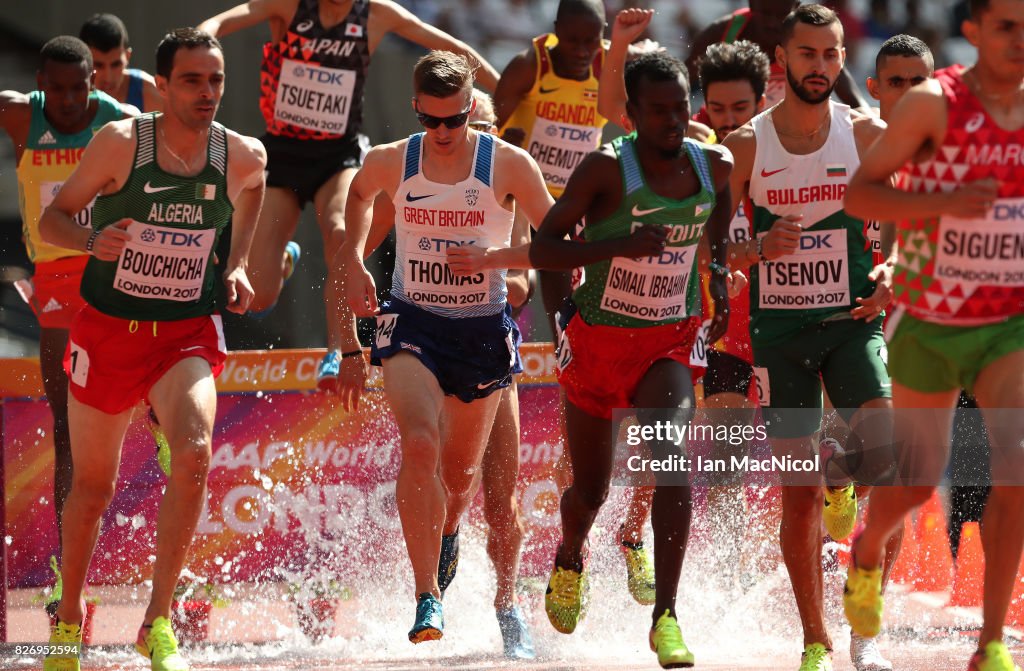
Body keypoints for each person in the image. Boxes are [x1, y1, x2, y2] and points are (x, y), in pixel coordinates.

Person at [38, 28, 265, 671]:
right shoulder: (120, 143)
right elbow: (55, 219)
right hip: (109, 331)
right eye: (192, 81)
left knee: (193, 453)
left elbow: (252, 192)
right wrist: (90, 243)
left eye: (216, 80)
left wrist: (239, 264)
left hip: (184, 333)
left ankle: (157, 618)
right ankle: (71, 615)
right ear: (161, 85)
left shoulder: (241, 155)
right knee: (92, 487)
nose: (207, 93)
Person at [339, 50, 553, 644]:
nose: (443, 136)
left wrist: (500, 263)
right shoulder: (397, 164)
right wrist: (351, 323)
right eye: (429, 122)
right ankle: (427, 595)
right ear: (416, 112)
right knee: (420, 441)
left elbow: (548, 248)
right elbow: (354, 215)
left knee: (478, 487)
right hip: (414, 324)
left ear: (475, 117)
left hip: (486, 335)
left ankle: (501, 593)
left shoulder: (507, 169)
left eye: (456, 123)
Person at [531, 47, 734, 668]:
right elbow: (543, 249)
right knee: (589, 492)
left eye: (681, 109)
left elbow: (718, 218)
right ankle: (571, 557)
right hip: (596, 345)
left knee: (671, 459)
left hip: (667, 342)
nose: (673, 122)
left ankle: (666, 617)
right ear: (631, 113)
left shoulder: (714, 167)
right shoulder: (604, 171)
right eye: (658, 112)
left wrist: (719, 275)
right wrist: (575, 299)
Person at [843, 1, 1024, 669]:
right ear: (972, 30)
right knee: (918, 479)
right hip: (932, 318)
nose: (1020, 41)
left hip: (1009, 322)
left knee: (1017, 464)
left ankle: (991, 643)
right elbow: (861, 195)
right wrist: (940, 204)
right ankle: (867, 549)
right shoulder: (930, 105)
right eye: (1007, 26)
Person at [720, 6, 899, 670]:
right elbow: (717, 246)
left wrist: (891, 267)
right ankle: (816, 641)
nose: (819, 67)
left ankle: (864, 601)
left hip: (850, 323)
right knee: (798, 495)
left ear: (841, 61)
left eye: (830, 55)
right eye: (807, 55)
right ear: (781, 63)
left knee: (882, 448)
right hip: (779, 335)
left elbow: (905, 219)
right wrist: (755, 244)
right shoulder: (745, 145)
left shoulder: (869, 135)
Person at [198, 0, 500, 392]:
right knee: (257, 296)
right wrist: (201, 39)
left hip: (338, 157)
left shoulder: (375, 14)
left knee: (342, 233)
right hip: (284, 154)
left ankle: (337, 348)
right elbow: (223, 20)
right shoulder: (290, 7)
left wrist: (505, 87)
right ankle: (286, 259)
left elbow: (447, 45)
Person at [495, 0, 662, 609]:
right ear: (554, 32)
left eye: (592, 42)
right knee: (569, 367)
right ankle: (580, 546)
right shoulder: (529, 63)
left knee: (657, 424)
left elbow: (640, 91)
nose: (580, 52)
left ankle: (633, 534)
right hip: (542, 222)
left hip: (593, 220)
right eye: (573, 40)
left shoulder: (620, 72)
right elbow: (488, 128)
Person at [0, 36, 134, 591]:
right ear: (39, 85)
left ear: (94, 83)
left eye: (80, 88)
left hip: (110, 270)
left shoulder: (120, 121)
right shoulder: (17, 113)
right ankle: (65, 571)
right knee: (66, 431)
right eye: (57, 89)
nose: (70, 100)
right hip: (54, 276)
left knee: (143, 394)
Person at [686, 0, 870, 116]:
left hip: (788, 139)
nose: (772, 23)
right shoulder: (721, 34)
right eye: (765, 14)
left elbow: (857, 104)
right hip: (727, 137)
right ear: (751, 4)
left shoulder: (809, 38)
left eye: (781, 15)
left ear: (795, 8)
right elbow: (680, 87)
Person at [79, 13, 164, 112]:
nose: (108, 77)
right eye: (98, 65)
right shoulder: (68, 95)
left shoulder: (150, 92)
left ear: (128, 57)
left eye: (116, 64)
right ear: (83, 61)